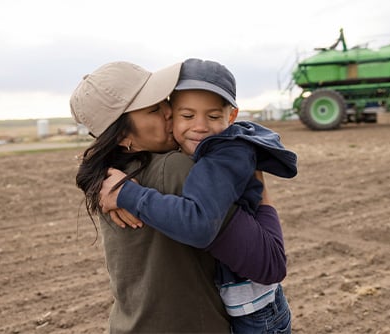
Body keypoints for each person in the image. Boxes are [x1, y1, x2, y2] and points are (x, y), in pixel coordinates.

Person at [71, 61, 288, 333]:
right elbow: (269, 263)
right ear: (122, 133)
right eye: (154, 109)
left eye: (165, 102)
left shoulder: (110, 176)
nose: (168, 113)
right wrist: (257, 181)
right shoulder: (174, 170)